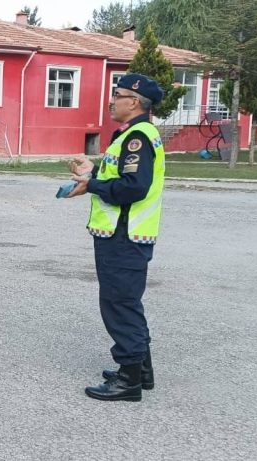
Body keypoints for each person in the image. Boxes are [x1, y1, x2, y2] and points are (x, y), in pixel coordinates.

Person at [66, 73, 165, 402]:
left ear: (134, 102)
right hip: (124, 233)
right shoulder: (130, 135)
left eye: (117, 95)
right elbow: (120, 176)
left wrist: (91, 185)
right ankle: (141, 370)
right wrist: (92, 172)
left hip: (124, 235)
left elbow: (133, 188)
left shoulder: (138, 138)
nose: (112, 100)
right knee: (126, 302)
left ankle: (129, 380)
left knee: (119, 304)